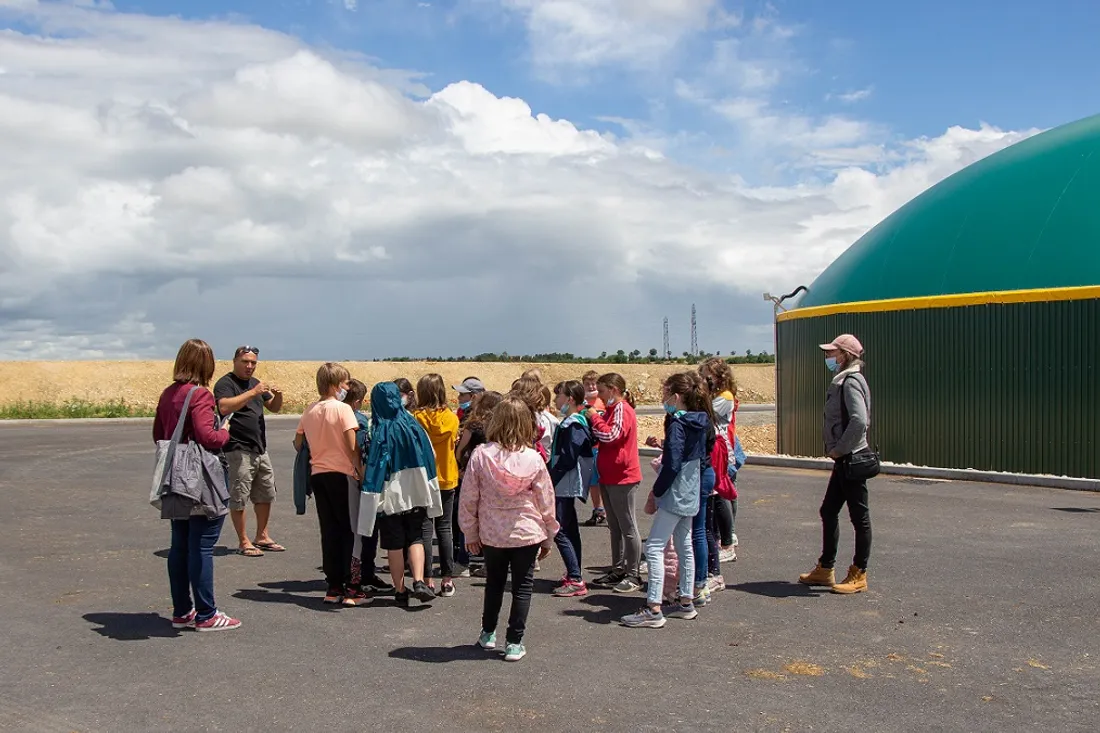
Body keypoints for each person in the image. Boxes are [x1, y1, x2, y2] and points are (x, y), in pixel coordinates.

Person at [459, 396, 559, 662]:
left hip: (492, 532)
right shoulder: (534, 459)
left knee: (494, 583)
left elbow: (469, 496)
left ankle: (488, 632)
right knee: (522, 586)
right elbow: (546, 500)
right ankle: (514, 642)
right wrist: (549, 535)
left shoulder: (481, 455)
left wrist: (470, 531)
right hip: (527, 531)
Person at [154, 339, 240, 632]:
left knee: (179, 544)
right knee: (202, 545)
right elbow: (208, 437)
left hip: (174, 476)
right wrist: (225, 432)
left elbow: (158, 434)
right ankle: (207, 613)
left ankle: (182, 610)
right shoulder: (200, 395)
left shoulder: (168, 394)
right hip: (200, 478)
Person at [621, 373, 706, 628]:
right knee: (685, 546)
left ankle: (653, 608)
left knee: (655, 547)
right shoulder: (701, 421)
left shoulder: (678, 424)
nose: (662, 399)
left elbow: (672, 463)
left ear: (676, 397)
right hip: (691, 491)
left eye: (665, 393)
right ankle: (686, 602)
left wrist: (658, 491)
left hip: (675, 493)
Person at [799, 334, 873, 594]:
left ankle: (858, 573)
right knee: (829, 511)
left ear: (845, 355)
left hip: (850, 458)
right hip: (844, 459)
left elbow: (859, 421)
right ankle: (825, 568)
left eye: (832, 353)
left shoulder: (850, 382)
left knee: (859, 517)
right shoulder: (844, 379)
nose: (828, 357)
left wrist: (840, 448)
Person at [364, 382, 443, 607]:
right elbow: (430, 455)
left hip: (390, 495)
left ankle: (400, 590)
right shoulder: (414, 424)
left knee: (394, 545)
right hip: (416, 492)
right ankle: (419, 580)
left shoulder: (377, 428)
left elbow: (374, 463)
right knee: (416, 537)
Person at [294, 363, 362, 605]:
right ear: (335, 386)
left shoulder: (309, 410)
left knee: (329, 529)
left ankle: (333, 585)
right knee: (348, 529)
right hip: (342, 473)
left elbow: (298, 442)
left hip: (318, 473)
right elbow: (352, 445)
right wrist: (360, 470)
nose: (347, 388)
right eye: (345, 384)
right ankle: (350, 584)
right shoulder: (343, 409)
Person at [213, 346, 285, 558]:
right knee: (239, 495)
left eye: (253, 362)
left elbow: (274, 407)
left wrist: (278, 395)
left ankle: (262, 535)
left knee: (265, 493)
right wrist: (253, 393)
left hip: (260, 447)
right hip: (237, 448)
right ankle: (243, 540)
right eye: (245, 362)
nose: (249, 366)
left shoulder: (255, 383)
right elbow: (224, 407)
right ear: (235, 361)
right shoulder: (226, 384)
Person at [584, 373, 643, 593]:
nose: (598, 395)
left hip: (622, 477)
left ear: (613, 390)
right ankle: (618, 569)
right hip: (609, 476)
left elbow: (611, 436)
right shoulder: (611, 410)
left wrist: (594, 418)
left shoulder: (622, 409)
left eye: (601, 391)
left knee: (628, 526)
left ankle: (633, 574)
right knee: (615, 527)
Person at [344, 379, 394, 596]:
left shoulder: (330, 415)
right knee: (365, 530)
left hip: (331, 476)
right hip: (358, 478)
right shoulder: (360, 422)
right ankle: (364, 574)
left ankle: (346, 573)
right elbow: (362, 451)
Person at [413, 373, 461, 597]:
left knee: (425, 527)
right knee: (445, 528)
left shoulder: (416, 418)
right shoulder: (452, 418)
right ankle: (448, 579)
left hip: (424, 478)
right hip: (447, 476)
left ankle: (427, 578)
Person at [548, 380, 594, 597]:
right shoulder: (569, 422)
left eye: (559, 396)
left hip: (564, 483)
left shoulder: (574, 424)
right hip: (564, 482)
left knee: (559, 529)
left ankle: (575, 578)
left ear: (570, 399)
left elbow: (567, 458)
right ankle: (573, 572)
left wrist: (551, 476)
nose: (556, 400)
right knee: (570, 528)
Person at [454, 391, 502, 577]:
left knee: (467, 514)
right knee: (488, 517)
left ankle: (464, 561)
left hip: (471, 472)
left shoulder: (474, 424)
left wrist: (461, 463)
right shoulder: (499, 425)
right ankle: (487, 562)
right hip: (492, 475)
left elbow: (460, 449)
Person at [699, 357, 739, 563]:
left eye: (708, 375)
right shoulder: (715, 395)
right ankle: (718, 539)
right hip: (713, 449)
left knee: (721, 495)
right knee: (715, 497)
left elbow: (706, 414)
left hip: (720, 451)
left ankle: (728, 541)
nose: (705, 378)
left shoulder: (725, 397)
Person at [581, 370, 607, 526]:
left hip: (602, 446)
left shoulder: (603, 402)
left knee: (604, 480)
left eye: (593, 383)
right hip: (588, 447)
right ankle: (598, 509)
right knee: (592, 482)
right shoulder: (581, 403)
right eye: (587, 384)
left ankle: (608, 510)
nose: (591, 386)